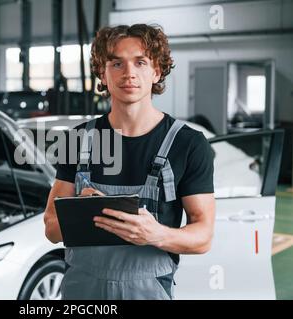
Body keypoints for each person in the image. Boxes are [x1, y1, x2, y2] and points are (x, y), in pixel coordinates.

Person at [43, 24, 215, 300]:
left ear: (156, 71)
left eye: (141, 62)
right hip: (81, 292)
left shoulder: (189, 144)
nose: (129, 73)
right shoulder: (76, 140)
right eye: (116, 63)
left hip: (148, 290)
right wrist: (80, 213)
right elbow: (51, 229)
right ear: (102, 72)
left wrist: (156, 234)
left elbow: (203, 236)